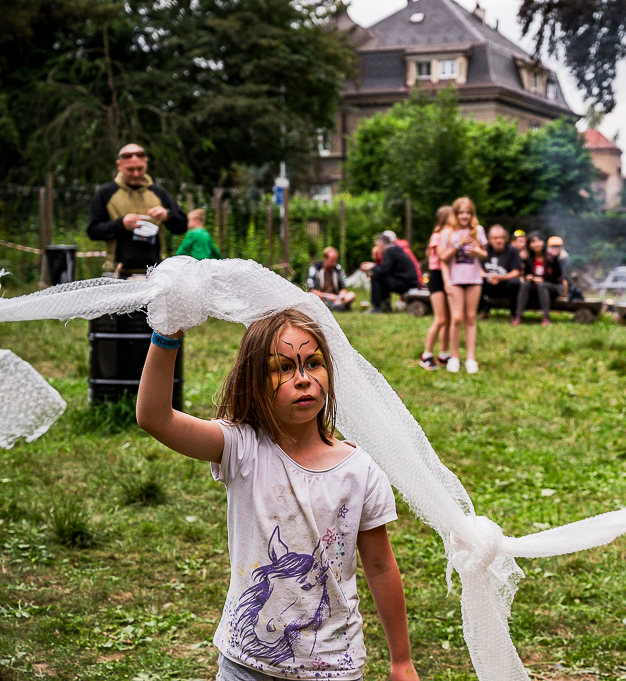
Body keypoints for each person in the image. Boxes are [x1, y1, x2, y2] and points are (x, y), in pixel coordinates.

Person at [135, 309, 419, 681]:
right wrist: (167, 333)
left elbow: (380, 566)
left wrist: (401, 661)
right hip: (245, 665)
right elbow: (154, 417)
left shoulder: (359, 472)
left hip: (333, 668)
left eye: (314, 363)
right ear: (253, 381)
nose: (303, 379)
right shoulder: (241, 448)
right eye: (282, 368)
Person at [87, 143, 187, 277]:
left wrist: (167, 216)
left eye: (140, 168)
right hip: (118, 273)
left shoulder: (159, 193)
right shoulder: (105, 193)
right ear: (119, 165)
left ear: (146, 162)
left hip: (154, 273)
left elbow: (182, 225)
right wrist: (121, 224)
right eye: (130, 169)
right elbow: (93, 231)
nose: (136, 174)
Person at [441, 197, 487, 374]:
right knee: (457, 318)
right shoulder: (448, 232)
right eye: (461, 212)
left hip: (474, 279)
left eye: (468, 212)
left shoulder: (478, 230)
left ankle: (470, 358)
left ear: (472, 214)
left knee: (470, 317)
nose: (465, 216)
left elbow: (484, 254)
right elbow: (444, 258)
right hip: (455, 280)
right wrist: (458, 244)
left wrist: (477, 252)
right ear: (455, 214)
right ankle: (454, 356)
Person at [419, 206, 452, 371]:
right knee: (440, 319)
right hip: (437, 278)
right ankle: (426, 355)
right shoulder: (437, 237)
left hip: (450, 277)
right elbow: (443, 256)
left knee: (448, 319)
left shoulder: (449, 236)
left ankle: (444, 355)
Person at [512, 233, 565, 328]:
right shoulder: (528, 259)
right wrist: (529, 277)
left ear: (543, 242)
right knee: (525, 285)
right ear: (529, 245)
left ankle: (546, 317)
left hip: (552, 288)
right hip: (535, 288)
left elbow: (558, 278)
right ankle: (519, 315)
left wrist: (543, 280)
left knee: (542, 285)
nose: (536, 244)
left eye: (539, 241)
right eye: (533, 242)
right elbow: (526, 275)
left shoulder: (552, 258)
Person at [360, 232, 419, 314]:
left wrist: (372, 267)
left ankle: (377, 307)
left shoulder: (390, 251)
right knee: (380, 275)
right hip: (409, 282)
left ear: (381, 244)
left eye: (376, 245)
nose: (376, 248)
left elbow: (384, 270)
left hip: (405, 284)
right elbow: (387, 269)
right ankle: (385, 305)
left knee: (376, 275)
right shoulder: (394, 249)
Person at [480, 225, 522, 317]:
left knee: (515, 283)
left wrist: (501, 277)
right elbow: (478, 270)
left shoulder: (512, 250)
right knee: (477, 281)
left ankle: (513, 313)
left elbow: (516, 272)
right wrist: (488, 276)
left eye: (501, 238)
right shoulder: (484, 250)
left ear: (505, 239)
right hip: (488, 283)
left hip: (505, 284)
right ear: (489, 239)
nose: (498, 241)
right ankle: (483, 310)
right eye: (495, 238)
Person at [307, 247, 356, 312]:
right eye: (332, 261)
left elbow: (342, 287)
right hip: (321, 297)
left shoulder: (338, 268)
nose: (334, 263)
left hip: (336, 298)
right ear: (325, 258)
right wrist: (326, 296)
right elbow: (311, 290)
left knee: (351, 295)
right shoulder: (315, 268)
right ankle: (337, 306)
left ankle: (333, 306)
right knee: (312, 298)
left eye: (336, 261)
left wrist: (342, 295)